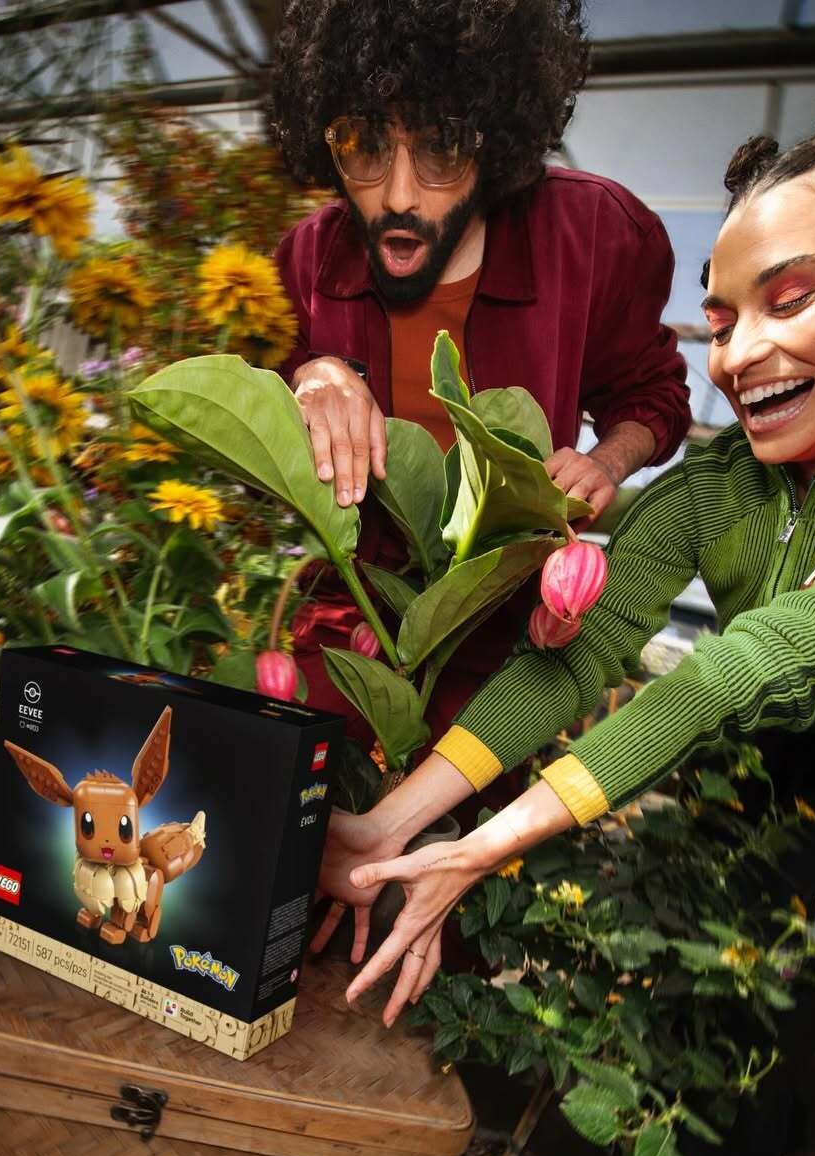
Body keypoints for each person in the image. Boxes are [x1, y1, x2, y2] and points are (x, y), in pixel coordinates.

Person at [314, 71, 815, 1022]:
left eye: (790, 301)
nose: (738, 357)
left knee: (775, 1005)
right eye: (721, 323)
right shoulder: (720, 485)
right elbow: (584, 648)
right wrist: (386, 826)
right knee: (682, 965)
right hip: (766, 750)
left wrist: (481, 848)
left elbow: (739, 669)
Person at [268, 0, 691, 740]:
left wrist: (606, 462)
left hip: (502, 648)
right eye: (365, 146)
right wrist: (310, 375)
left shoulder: (590, 238)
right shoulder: (306, 260)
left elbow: (653, 393)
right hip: (352, 620)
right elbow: (264, 403)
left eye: (443, 147)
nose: (399, 195)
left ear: (495, 140)